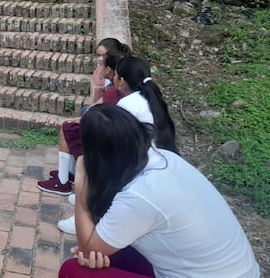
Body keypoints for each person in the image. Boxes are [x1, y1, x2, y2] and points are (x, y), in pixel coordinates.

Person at [59, 104, 259, 278]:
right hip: (236, 271)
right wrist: (95, 248)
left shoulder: (141, 195)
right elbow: (94, 247)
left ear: (97, 155)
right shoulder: (164, 158)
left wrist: (81, 187)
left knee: (73, 271)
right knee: (107, 252)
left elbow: (88, 247)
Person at [38, 39, 132, 199]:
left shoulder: (114, 87)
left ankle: (63, 181)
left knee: (67, 127)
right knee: (82, 113)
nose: (98, 62)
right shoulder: (121, 76)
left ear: (110, 65)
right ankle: (71, 173)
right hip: (115, 131)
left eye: (102, 59)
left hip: (110, 138)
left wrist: (84, 120)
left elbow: (104, 113)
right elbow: (101, 105)